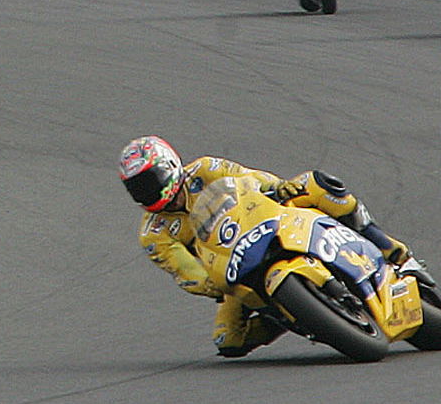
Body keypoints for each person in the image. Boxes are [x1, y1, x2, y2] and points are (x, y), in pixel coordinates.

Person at [118, 136, 410, 358]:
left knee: (317, 184)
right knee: (229, 341)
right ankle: (293, 314)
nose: (145, 191)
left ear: (169, 166)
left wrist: (276, 189)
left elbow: (249, 179)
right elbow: (185, 270)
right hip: (233, 267)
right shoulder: (153, 234)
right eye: (136, 187)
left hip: (267, 218)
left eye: (149, 180)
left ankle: (382, 243)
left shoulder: (205, 169)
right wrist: (212, 285)